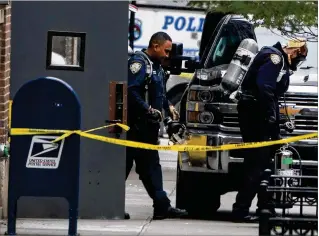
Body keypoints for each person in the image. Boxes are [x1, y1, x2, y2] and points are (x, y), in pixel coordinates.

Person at [231, 38, 308, 222]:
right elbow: (265, 87)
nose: (298, 62)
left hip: (260, 117)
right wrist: (270, 117)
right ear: (294, 52)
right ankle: (241, 210)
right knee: (257, 163)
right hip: (257, 118)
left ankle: (266, 208)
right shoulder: (274, 58)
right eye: (300, 57)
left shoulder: (275, 58)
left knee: (268, 163)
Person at [125, 31, 186, 220]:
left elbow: (160, 93)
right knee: (125, 167)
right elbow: (131, 91)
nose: (168, 55)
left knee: (150, 168)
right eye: (166, 51)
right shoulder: (140, 63)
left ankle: (162, 205)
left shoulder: (157, 67)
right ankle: (109, 205)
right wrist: (148, 110)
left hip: (148, 129)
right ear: (155, 45)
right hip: (135, 127)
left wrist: (168, 107)